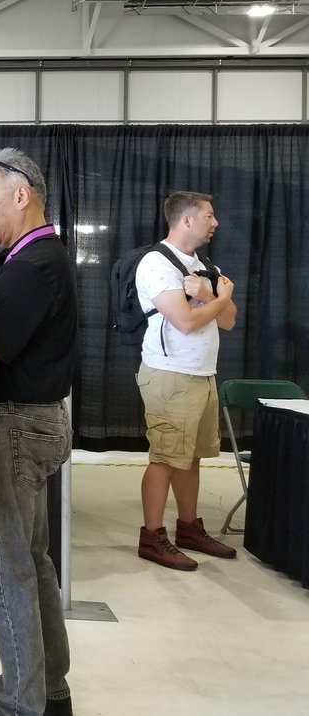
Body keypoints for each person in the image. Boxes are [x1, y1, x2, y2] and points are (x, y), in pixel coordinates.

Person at [0, 149, 76, 716]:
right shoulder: (36, 260)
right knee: (32, 559)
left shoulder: (32, 265)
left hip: (11, 427)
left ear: (20, 194)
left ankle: (20, 704)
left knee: (5, 569)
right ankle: (46, 687)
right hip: (31, 423)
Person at [134, 191, 238, 571]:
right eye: (210, 215)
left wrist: (212, 293)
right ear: (187, 220)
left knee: (191, 456)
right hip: (170, 375)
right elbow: (186, 321)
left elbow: (228, 321)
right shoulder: (156, 263)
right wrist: (221, 297)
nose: (216, 222)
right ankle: (152, 536)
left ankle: (189, 528)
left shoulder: (201, 264)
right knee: (164, 457)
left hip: (201, 374)